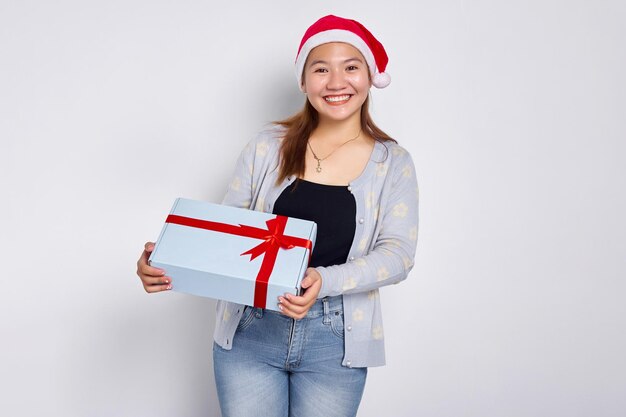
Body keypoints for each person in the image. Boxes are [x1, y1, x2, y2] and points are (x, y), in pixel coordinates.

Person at [136, 14, 419, 417]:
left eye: (351, 67)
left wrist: (325, 280)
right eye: (321, 69)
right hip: (251, 331)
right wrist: (164, 259)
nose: (337, 82)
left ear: (370, 76)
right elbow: (229, 230)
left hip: (336, 340)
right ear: (304, 81)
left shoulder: (393, 163)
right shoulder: (267, 146)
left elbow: (398, 255)